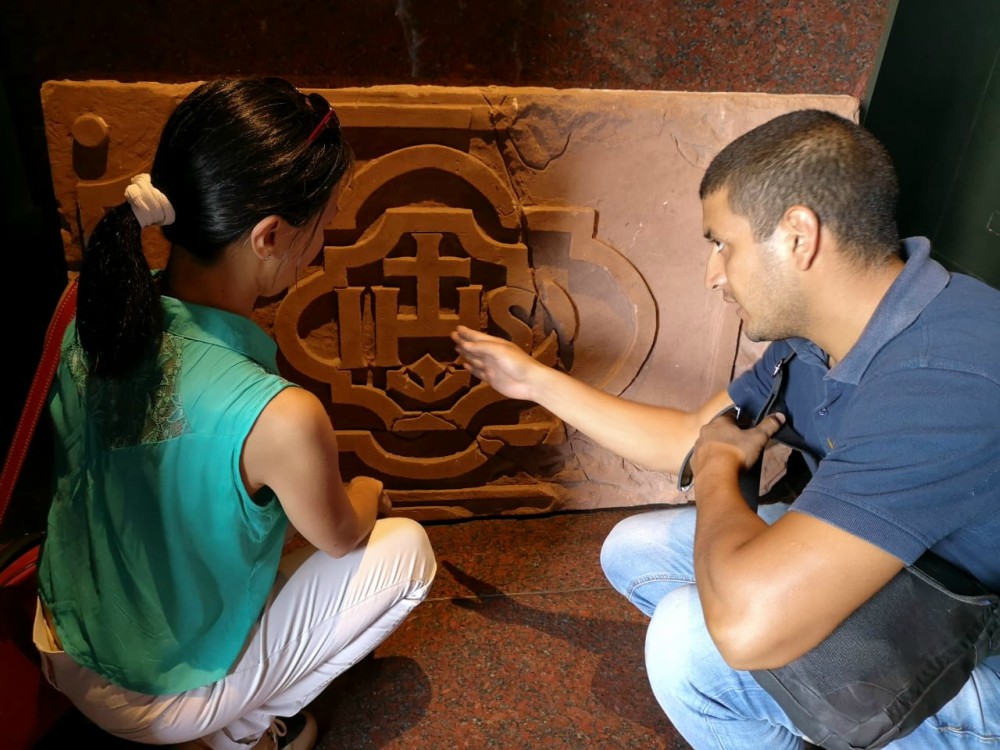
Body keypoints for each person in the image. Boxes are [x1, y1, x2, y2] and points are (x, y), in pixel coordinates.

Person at [452, 109, 1000, 748]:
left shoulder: (943, 376)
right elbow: (692, 434)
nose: (713, 273)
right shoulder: (824, 331)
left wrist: (716, 471)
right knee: (634, 550)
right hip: (913, 572)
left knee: (693, 644)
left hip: (978, 641)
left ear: (798, 236)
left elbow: (743, 625)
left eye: (722, 244)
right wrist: (533, 382)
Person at [33, 77, 437, 750]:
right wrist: (368, 490)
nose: (325, 240)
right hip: (156, 696)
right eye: (324, 221)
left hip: (63, 637)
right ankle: (239, 734)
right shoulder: (282, 415)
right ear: (269, 235)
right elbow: (341, 536)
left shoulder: (93, 313)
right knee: (406, 552)